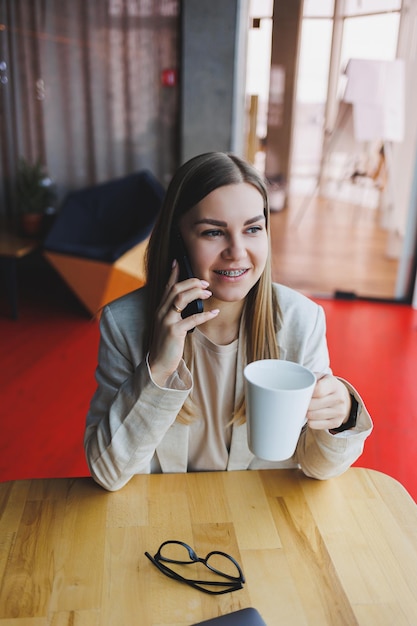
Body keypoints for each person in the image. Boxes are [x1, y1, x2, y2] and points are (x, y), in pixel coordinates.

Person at [84, 152, 373, 491]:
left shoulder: (301, 320)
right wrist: (158, 368)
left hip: (257, 515)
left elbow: (318, 467)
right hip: (162, 520)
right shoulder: (124, 324)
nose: (237, 251)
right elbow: (107, 472)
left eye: (253, 228)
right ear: (178, 238)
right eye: (213, 233)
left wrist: (341, 415)